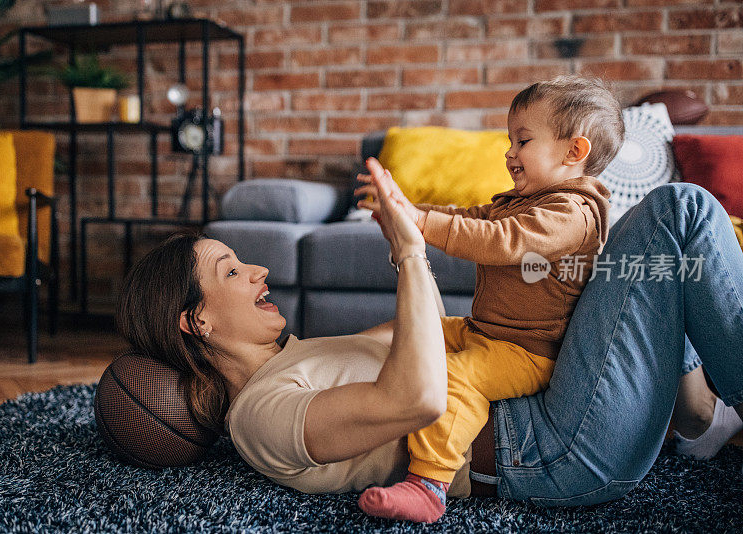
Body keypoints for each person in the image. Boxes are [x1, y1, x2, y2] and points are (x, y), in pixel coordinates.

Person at [117, 163, 743, 516]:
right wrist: (410, 251)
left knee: (638, 253)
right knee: (678, 211)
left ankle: (698, 417)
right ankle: (699, 415)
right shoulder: (259, 416)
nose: (258, 270)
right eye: (231, 270)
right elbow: (418, 398)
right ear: (196, 321)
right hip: (549, 452)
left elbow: (444, 334)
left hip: (554, 412)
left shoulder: (310, 354)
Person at [352, 76, 621, 522]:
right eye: (509, 139)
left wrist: (421, 223)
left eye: (523, 140)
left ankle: (429, 484)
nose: (509, 152)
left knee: (456, 378)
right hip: (486, 333)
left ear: (574, 152)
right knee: (416, 331)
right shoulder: (524, 200)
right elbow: (469, 216)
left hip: (526, 353)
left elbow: (501, 241)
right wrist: (407, 208)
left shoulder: (570, 214)